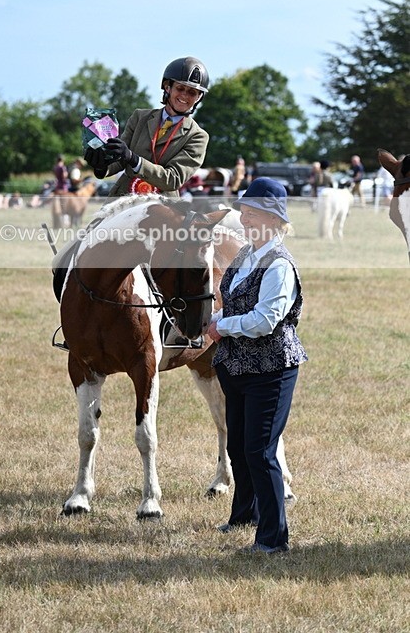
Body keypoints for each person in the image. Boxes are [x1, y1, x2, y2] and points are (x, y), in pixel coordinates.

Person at [207, 177, 308, 554]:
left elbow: (267, 319)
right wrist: (215, 317)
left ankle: (272, 539)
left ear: (270, 218)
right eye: (244, 213)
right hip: (235, 365)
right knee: (238, 447)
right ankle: (244, 515)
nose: (244, 219)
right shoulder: (246, 255)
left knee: (261, 452)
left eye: (250, 214)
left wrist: (222, 326)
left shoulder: (279, 264)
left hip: (271, 368)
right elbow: (233, 300)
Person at [84, 56, 210, 197]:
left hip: (163, 206)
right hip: (123, 197)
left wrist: (134, 159)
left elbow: (173, 179)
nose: (185, 96)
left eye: (192, 92)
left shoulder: (198, 136)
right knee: (96, 221)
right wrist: (101, 165)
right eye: (180, 88)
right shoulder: (140, 117)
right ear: (167, 87)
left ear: (198, 97)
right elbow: (119, 160)